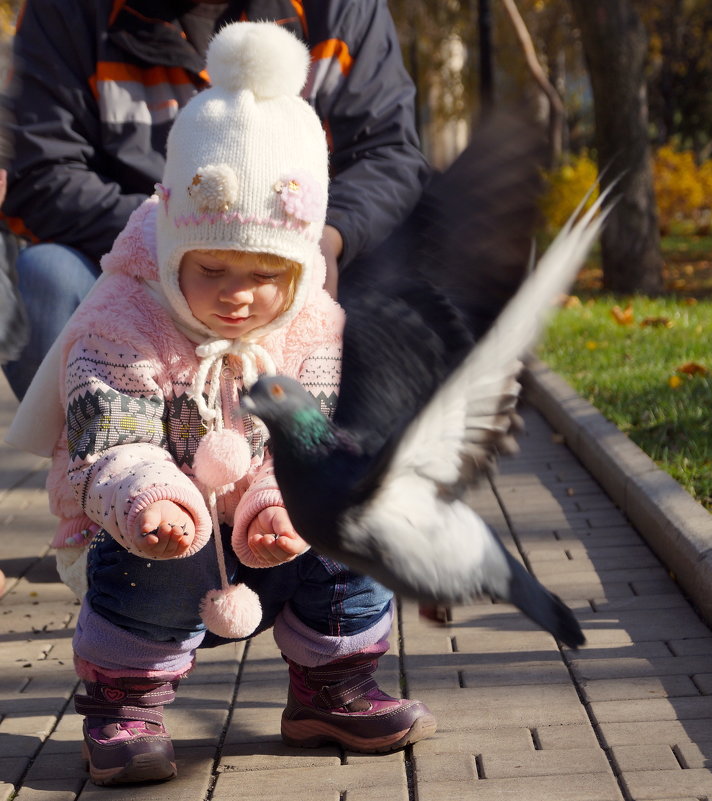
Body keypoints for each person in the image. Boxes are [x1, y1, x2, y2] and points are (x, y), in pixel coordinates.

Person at [39, 22, 435, 786]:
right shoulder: (123, 314)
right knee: (159, 540)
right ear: (170, 249)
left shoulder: (313, 322)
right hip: (153, 533)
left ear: (299, 270)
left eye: (264, 274)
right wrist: (149, 493)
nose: (237, 294)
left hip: (274, 529)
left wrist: (282, 500)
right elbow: (105, 429)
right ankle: (126, 700)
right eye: (211, 267)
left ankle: (333, 679)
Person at [1, 0, 428, 399]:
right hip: (127, 274)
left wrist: (328, 238)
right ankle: (106, 458)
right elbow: (39, 170)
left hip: (298, 271)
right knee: (45, 277)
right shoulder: (66, 10)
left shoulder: (339, 9)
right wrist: (175, 240)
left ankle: (322, 462)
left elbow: (389, 153)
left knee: (407, 274)